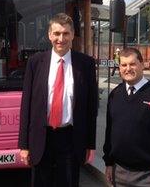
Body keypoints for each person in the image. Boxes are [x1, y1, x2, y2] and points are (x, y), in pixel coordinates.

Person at [18, 13, 98, 187]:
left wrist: (90, 144)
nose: (61, 38)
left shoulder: (86, 64)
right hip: (41, 138)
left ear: (72, 35)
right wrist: (24, 145)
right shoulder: (35, 62)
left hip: (71, 138)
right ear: (49, 35)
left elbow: (92, 109)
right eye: (56, 34)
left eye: (65, 34)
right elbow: (26, 106)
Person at [103, 48, 150, 187]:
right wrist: (108, 163)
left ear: (142, 64)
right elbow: (110, 132)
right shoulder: (115, 94)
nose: (128, 69)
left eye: (132, 64)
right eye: (124, 65)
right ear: (119, 67)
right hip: (118, 172)